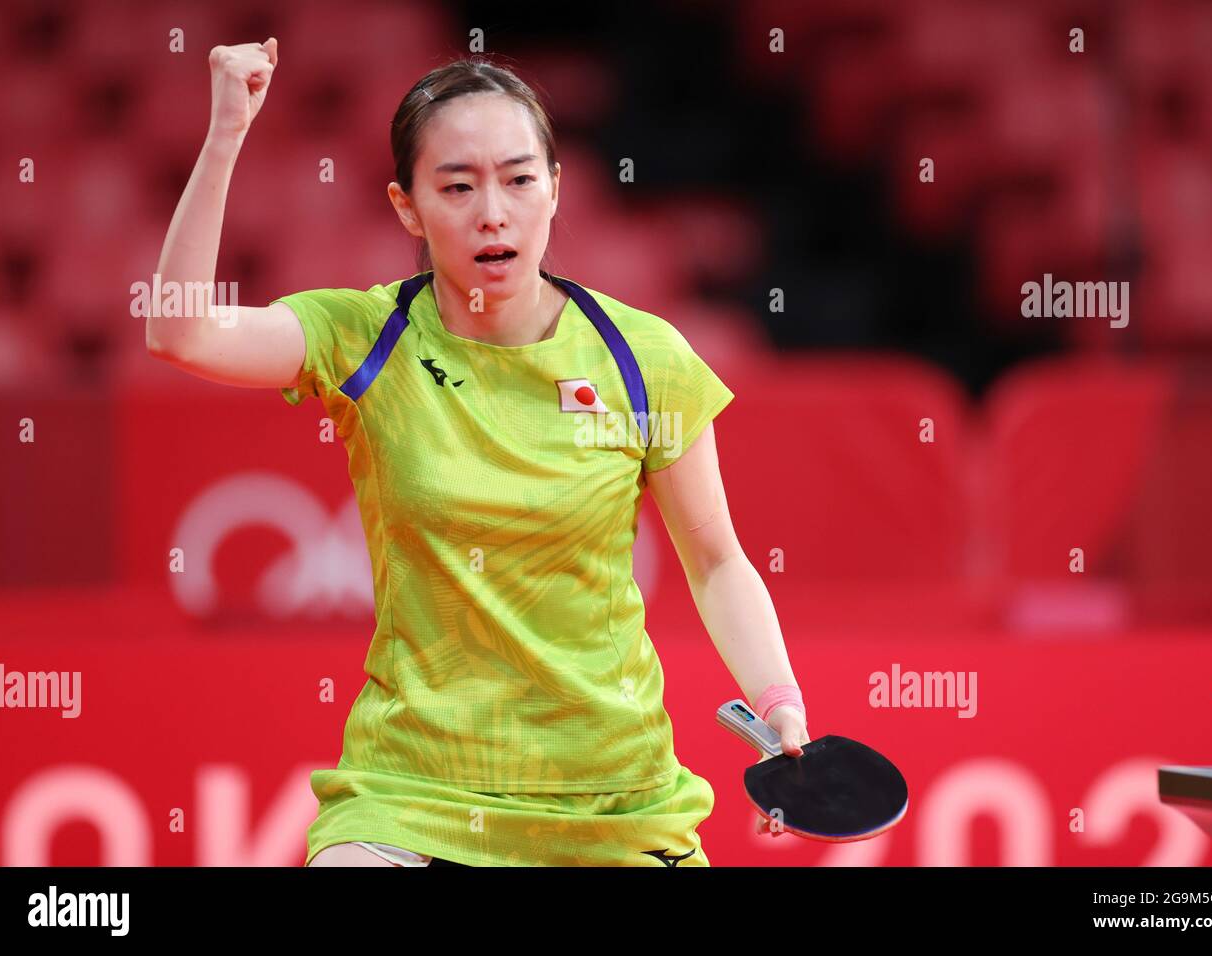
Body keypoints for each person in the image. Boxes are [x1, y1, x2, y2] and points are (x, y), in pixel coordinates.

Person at [146, 39, 810, 867]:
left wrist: (777, 699)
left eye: (520, 178)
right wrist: (226, 134)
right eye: (457, 186)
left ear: (557, 189)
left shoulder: (644, 359)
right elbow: (179, 330)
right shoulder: (365, 338)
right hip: (413, 791)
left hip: (612, 804)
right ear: (407, 207)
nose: (492, 211)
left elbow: (716, 562)